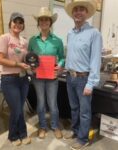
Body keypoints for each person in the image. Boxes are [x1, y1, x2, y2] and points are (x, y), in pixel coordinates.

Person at [64, 0, 102, 149]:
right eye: (76, 10)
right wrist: (64, 67)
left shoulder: (94, 33)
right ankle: (75, 130)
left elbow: (95, 60)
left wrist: (91, 83)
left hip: (83, 79)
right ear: (72, 13)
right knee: (73, 108)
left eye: (82, 9)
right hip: (70, 77)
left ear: (86, 13)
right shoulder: (70, 33)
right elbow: (71, 56)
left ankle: (83, 138)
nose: (78, 12)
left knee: (84, 111)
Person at [28, 7, 65, 139]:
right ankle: (42, 127)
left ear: (50, 22)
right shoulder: (33, 40)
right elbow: (30, 57)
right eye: (41, 20)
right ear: (38, 23)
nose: (44, 22)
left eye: (46, 20)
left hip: (52, 77)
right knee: (41, 103)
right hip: (37, 77)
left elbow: (62, 58)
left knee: (53, 103)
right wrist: (31, 66)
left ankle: (55, 126)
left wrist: (59, 66)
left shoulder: (57, 41)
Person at [0, 12, 31, 146]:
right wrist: (17, 64)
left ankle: (23, 133)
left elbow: (26, 59)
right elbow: (0, 59)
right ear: (10, 23)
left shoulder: (24, 41)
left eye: (20, 22)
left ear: (23, 25)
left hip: (23, 78)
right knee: (16, 109)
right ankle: (13, 135)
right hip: (9, 79)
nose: (17, 24)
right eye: (15, 22)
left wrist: (31, 65)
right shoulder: (4, 38)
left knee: (20, 108)